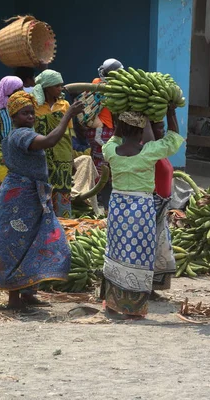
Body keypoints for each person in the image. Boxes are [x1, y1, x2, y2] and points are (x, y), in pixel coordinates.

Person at [0, 91, 83, 312]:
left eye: (32, 113)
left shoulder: (20, 133)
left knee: (34, 240)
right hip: (19, 197)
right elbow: (51, 141)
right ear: (14, 116)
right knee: (16, 244)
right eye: (25, 113)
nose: (30, 117)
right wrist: (67, 115)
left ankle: (29, 292)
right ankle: (14, 299)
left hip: (29, 194)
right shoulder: (21, 135)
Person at [101, 107, 183, 319]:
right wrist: (171, 112)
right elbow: (173, 137)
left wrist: (120, 121)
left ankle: (111, 304)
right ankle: (134, 310)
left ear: (121, 129)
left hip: (117, 208)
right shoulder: (149, 152)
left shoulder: (110, 151)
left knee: (115, 253)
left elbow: (114, 138)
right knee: (140, 256)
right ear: (140, 133)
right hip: (141, 209)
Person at [78, 58, 124, 209]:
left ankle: (100, 201)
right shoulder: (103, 86)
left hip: (102, 128)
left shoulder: (96, 81)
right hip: (102, 128)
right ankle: (100, 202)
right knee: (104, 164)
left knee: (102, 162)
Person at [32, 69, 76, 218]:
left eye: (61, 85)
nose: (60, 88)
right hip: (41, 155)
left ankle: (64, 228)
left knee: (63, 192)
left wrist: (72, 158)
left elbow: (69, 133)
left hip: (63, 156)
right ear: (46, 87)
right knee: (43, 192)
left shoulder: (65, 105)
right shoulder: (35, 106)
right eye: (57, 85)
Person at [150, 114, 178, 297]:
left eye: (163, 127)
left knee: (160, 247)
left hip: (163, 206)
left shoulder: (162, 148)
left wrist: (171, 111)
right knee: (151, 246)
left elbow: (175, 135)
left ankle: (152, 286)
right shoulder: (150, 150)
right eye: (159, 127)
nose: (163, 131)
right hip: (153, 204)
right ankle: (145, 286)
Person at [0, 76, 23, 198]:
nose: (22, 93)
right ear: (10, 92)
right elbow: (8, 138)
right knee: (5, 198)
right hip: (4, 159)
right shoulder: (7, 111)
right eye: (18, 90)